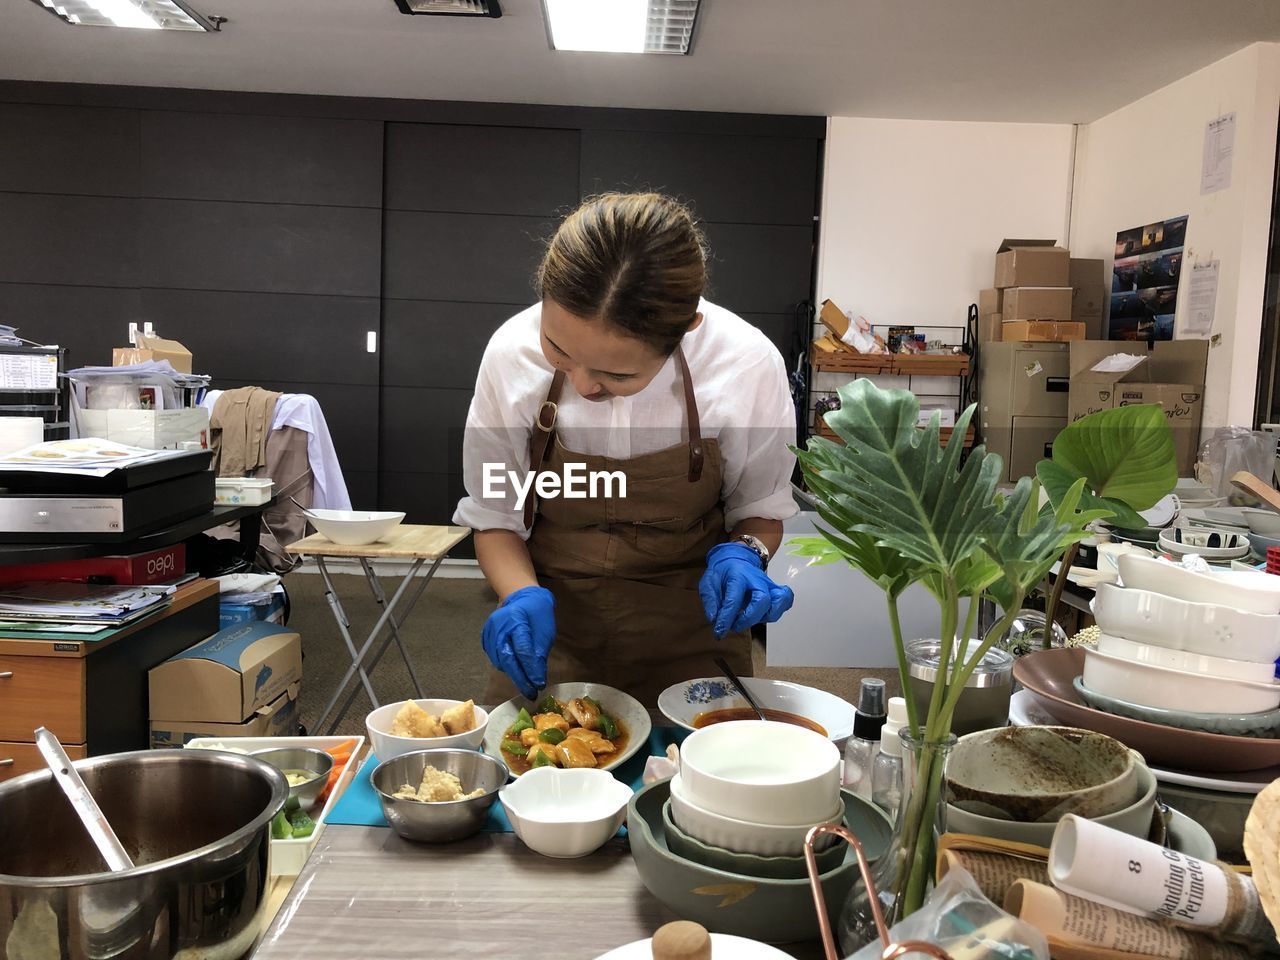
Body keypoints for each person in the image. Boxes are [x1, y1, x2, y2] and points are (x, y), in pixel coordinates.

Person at [453, 192, 798, 705]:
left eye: (617, 373)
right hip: (551, 634)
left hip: (691, 632)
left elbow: (760, 511)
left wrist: (746, 556)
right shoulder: (510, 353)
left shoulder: (746, 366)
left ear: (685, 330)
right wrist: (519, 595)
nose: (586, 387)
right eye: (559, 352)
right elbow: (497, 515)